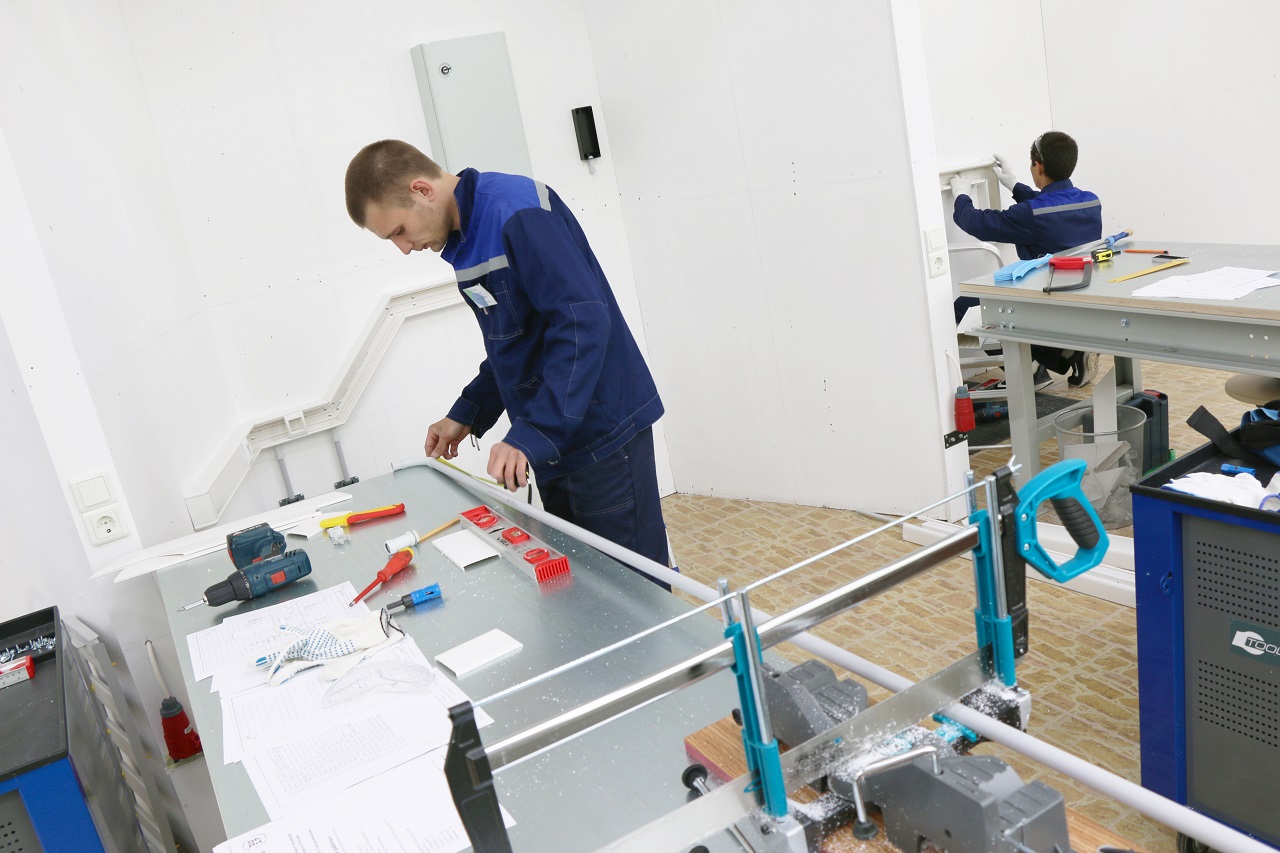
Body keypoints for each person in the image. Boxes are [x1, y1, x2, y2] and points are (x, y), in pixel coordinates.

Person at [344, 140, 670, 579]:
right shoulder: (465, 239)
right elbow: (516, 345)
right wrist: (467, 413)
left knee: (634, 589)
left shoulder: (517, 213)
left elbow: (582, 325)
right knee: (588, 584)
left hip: (602, 436)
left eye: (398, 231)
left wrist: (531, 434)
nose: (403, 248)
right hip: (555, 441)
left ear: (421, 190)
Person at [949, 131, 1101, 387]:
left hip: (1041, 301)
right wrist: (1015, 186)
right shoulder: (1090, 202)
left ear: (1038, 166)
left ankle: (1031, 372)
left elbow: (975, 222)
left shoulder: (1031, 214)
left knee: (964, 306)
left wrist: (961, 195)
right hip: (1076, 299)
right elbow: (1049, 207)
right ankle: (1069, 352)